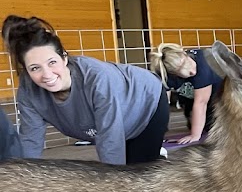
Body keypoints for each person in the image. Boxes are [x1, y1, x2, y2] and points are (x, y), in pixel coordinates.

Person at [3, 15, 168, 164]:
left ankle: (154, 157)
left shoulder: (97, 78)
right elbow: (31, 140)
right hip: (114, 123)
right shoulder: (28, 91)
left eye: (52, 62)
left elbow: (109, 137)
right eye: (34, 68)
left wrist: (111, 185)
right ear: (26, 71)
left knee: (136, 177)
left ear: (64, 58)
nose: (46, 74)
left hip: (146, 103)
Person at [149, 43, 223, 145]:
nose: (193, 72)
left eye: (191, 66)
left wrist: (195, 135)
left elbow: (201, 103)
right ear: (173, 74)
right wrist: (158, 135)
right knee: (199, 124)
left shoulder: (203, 64)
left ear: (184, 53)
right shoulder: (164, 76)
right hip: (191, 97)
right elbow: (162, 106)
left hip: (219, 98)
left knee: (213, 129)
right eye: (187, 73)